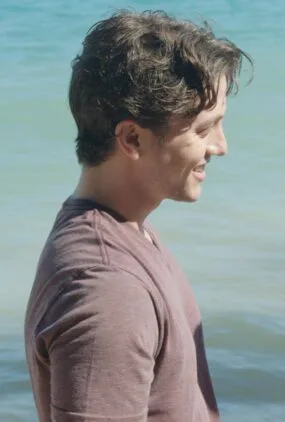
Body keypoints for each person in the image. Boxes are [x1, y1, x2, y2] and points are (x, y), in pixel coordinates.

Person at [23, 10, 251, 421]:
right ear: (132, 138)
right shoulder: (109, 289)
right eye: (203, 129)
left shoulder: (128, 232)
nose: (221, 146)